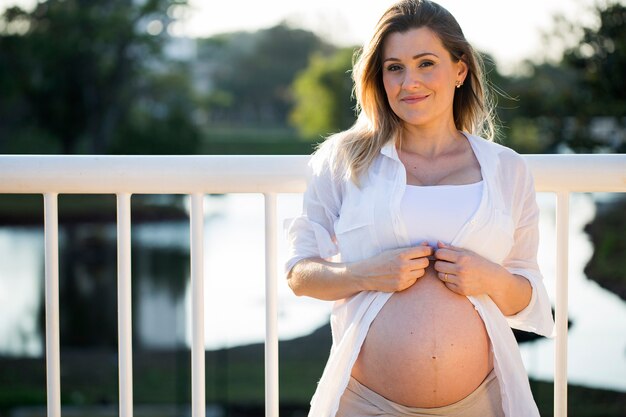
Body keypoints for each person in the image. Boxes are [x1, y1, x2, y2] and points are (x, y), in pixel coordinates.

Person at [284, 1, 554, 416]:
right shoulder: (345, 160)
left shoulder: (508, 169)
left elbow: (529, 299)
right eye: (394, 67)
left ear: (460, 70)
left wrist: (490, 278)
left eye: (426, 63)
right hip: (366, 403)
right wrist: (362, 274)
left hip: (482, 402)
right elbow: (300, 274)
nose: (409, 81)